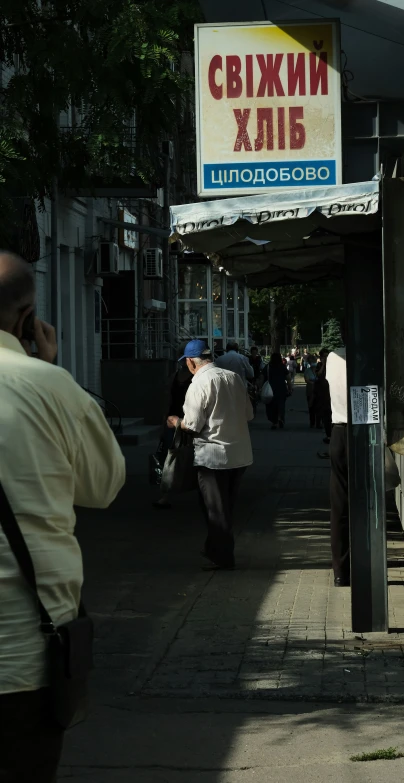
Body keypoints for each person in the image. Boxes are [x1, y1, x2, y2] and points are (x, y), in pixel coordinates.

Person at [0, 251, 126, 781]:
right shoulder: (49, 387)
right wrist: (51, 371)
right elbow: (102, 486)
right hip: (22, 657)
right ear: (29, 319)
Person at [167, 340, 253, 570]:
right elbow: (249, 414)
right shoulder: (233, 378)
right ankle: (215, 549)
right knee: (226, 507)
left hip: (213, 456)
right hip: (240, 454)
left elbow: (193, 425)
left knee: (215, 510)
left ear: (189, 362)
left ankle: (223, 557)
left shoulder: (198, 384)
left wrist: (176, 422)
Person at [153, 355, 193, 508]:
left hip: (191, 421)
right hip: (173, 421)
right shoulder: (174, 377)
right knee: (169, 456)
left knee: (192, 456)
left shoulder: (196, 378)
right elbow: (167, 399)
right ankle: (165, 495)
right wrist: (164, 421)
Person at [325, 342, 349, 587]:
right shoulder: (372, 353)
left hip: (339, 431)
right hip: (366, 430)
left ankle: (341, 571)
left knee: (340, 505)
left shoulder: (333, 358)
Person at [261, 352, 292, 430]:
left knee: (270, 406)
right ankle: (280, 417)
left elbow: (261, 377)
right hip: (281, 388)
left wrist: (260, 387)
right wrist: (290, 388)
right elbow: (288, 378)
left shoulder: (268, 367)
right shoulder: (282, 367)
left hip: (270, 389)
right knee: (280, 405)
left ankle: (274, 422)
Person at [304, 354, 322, 429]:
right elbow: (307, 380)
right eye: (311, 361)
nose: (312, 362)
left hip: (318, 391)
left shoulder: (319, 369)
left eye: (313, 360)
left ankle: (318, 422)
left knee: (319, 407)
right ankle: (312, 422)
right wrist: (315, 382)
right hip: (310, 390)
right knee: (311, 407)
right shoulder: (307, 371)